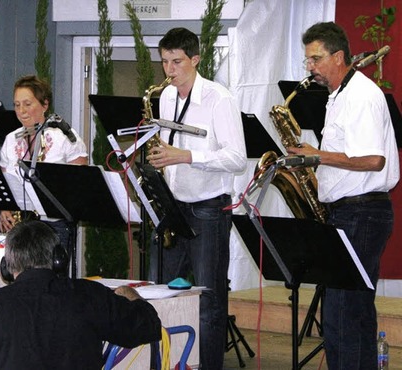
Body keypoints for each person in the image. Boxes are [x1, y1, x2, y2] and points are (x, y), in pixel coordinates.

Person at [288, 22, 399, 369]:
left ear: (339, 57)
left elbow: (373, 160)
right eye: (307, 60)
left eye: (316, 59)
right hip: (348, 212)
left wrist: (315, 156)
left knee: (342, 316)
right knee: (353, 312)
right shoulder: (338, 95)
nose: (310, 68)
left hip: (361, 213)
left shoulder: (361, 96)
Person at [146, 27, 247, 369]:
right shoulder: (166, 97)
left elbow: (236, 158)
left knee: (208, 300)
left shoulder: (220, 99)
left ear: (196, 59)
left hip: (208, 207)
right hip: (174, 205)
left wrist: (186, 156)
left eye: (177, 62)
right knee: (164, 293)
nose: (169, 70)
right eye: (164, 62)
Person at [0, 220, 161, 369]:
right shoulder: (89, 295)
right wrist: (130, 295)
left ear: (7, 266)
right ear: (59, 259)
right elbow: (150, 326)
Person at [0, 75, 88, 255]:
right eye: (17, 105)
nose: (21, 110)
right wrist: (4, 209)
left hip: (55, 226)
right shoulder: (10, 139)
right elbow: (4, 184)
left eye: (27, 104)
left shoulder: (65, 137)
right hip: (21, 225)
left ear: (45, 105)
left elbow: (80, 184)